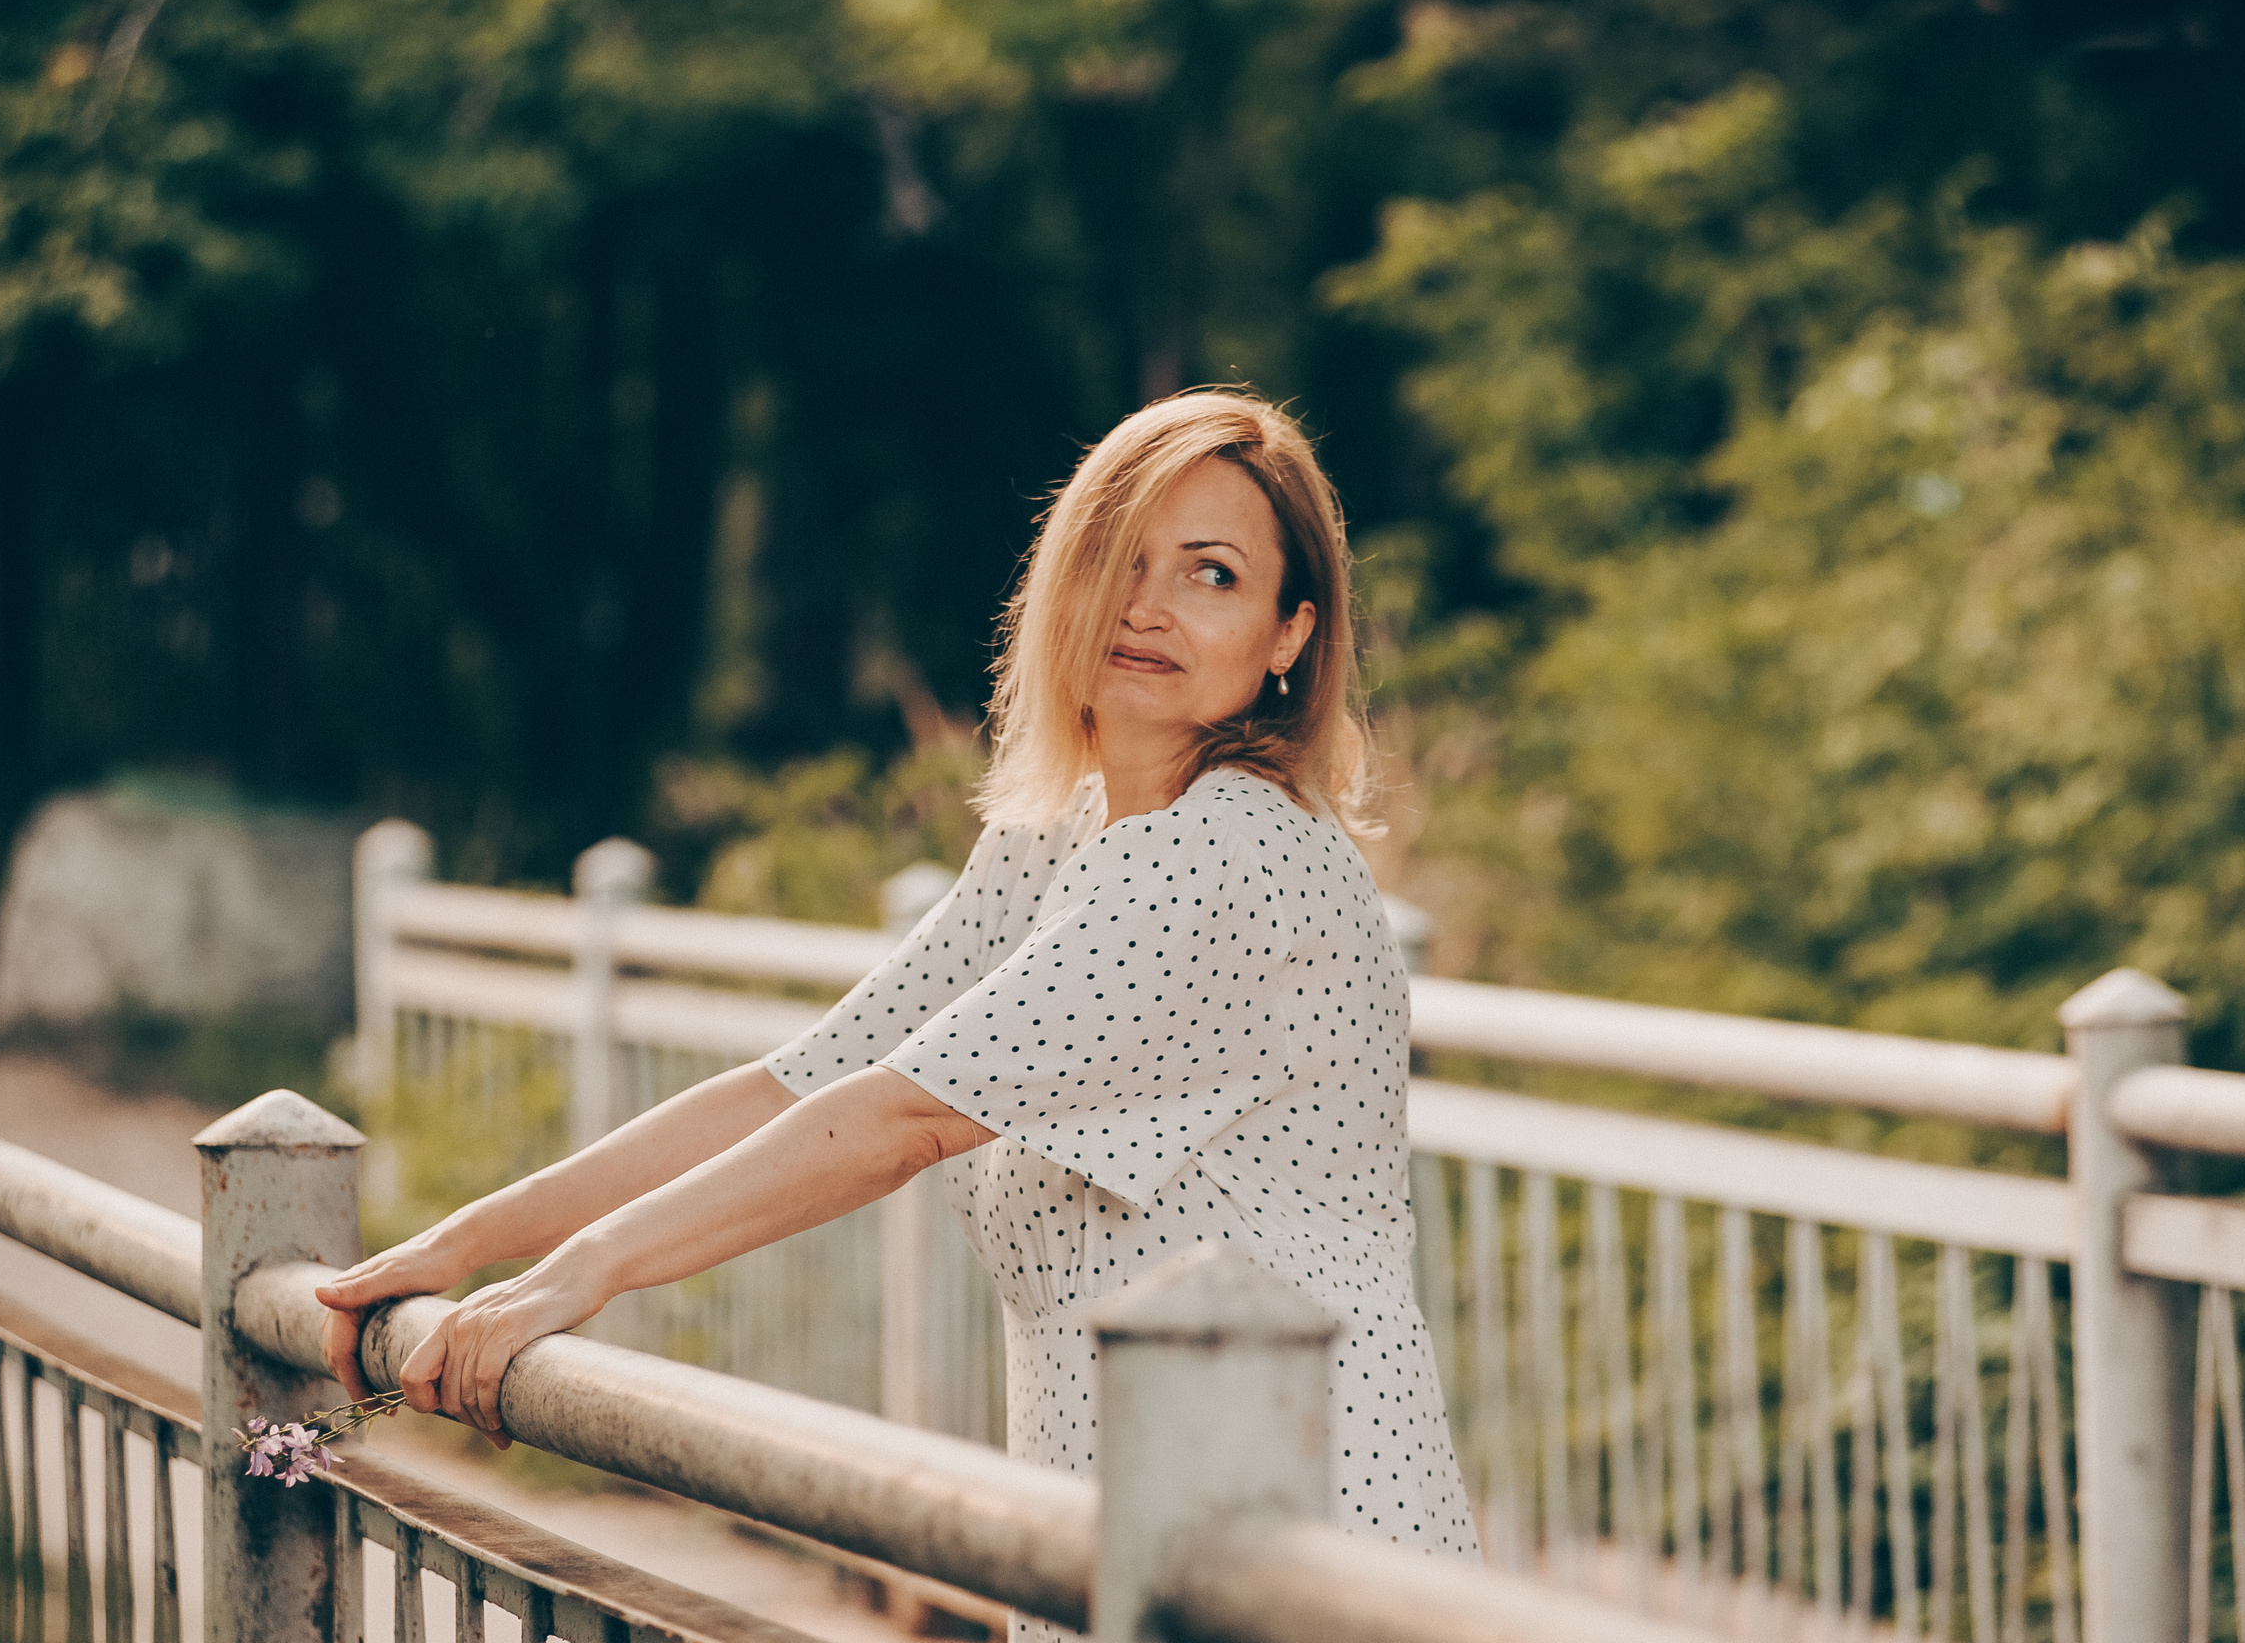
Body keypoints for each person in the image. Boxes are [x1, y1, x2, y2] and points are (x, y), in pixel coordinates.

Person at [316, 391, 1480, 1631]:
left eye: (1210, 573)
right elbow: (801, 1088)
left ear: (1287, 632)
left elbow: (900, 1122)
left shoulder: (1229, 852)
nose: (1147, 606)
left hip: (1288, 1506)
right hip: (1120, 1504)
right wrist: (471, 1244)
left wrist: (579, 1278)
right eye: (1115, 558)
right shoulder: (1061, 838)